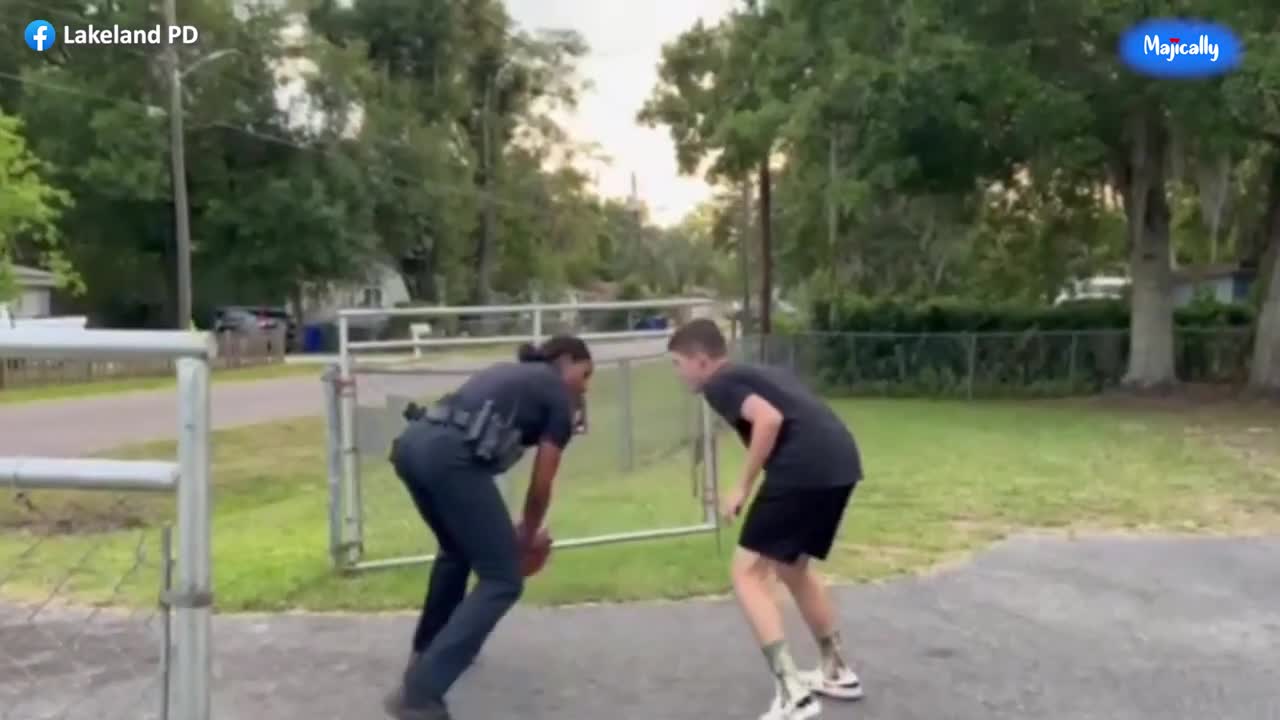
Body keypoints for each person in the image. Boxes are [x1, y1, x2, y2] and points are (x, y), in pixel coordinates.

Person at [384, 335, 594, 720]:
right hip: (449, 458)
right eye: (585, 374)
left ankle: (424, 657)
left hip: (413, 446)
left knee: (456, 551)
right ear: (566, 360)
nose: (585, 386)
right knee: (503, 580)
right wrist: (527, 538)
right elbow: (542, 483)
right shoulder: (558, 398)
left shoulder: (512, 373)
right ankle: (421, 692)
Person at [667, 319, 864, 720]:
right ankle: (836, 669)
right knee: (792, 567)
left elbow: (769, 420)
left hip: (803, 468)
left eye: (677, 363)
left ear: (701, 361)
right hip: (840, 463)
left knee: (747, 574)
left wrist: (741, 486)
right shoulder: (757, 372)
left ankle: (792, 692)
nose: (677, 372)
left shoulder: (718, 383)